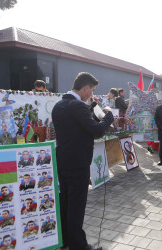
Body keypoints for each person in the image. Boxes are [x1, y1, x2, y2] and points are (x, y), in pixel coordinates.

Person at [52, 72, 113, 250]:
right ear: (85, 88)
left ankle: (65, 240)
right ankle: (79, 245)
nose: (92, 94)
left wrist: (92, 108)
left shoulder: (59, 105)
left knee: (66, 203)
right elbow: (97, 131)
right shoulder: (77, 106)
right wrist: (108, 116)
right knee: (76, 207)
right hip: (78, 164)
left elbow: (79, 126)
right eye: (92, 90)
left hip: (63, 162)